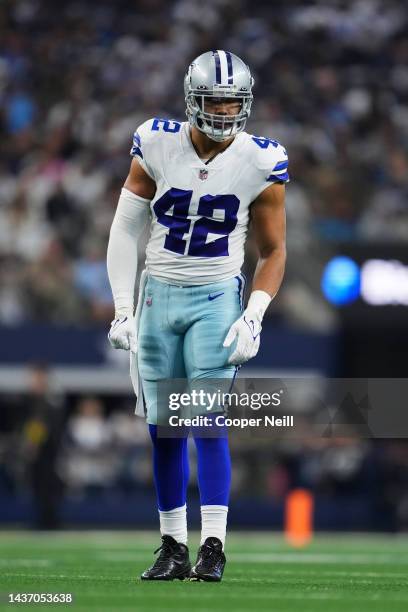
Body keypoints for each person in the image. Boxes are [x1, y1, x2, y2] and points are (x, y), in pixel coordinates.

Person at [107, 50, 289, 581]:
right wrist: (122, 310)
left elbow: (273, 250)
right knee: (163, 428)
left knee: (206, 419)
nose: (227, 111)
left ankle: (213, 547)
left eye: (235, 102)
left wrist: (255, 313)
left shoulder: (262, 159)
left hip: (215, 297)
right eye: (216, 100)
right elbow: (124, 229)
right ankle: (171, 546)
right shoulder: (157, 142)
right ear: (193, 99)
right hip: (158, 293)